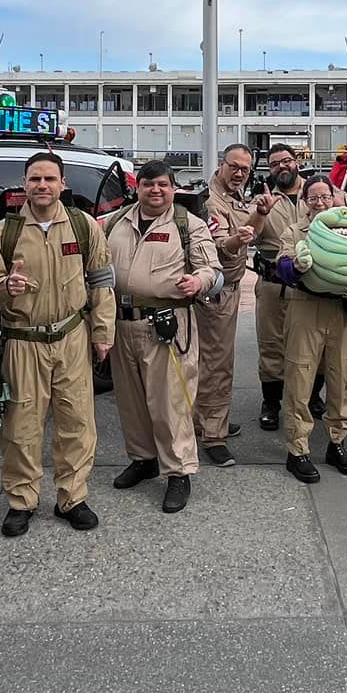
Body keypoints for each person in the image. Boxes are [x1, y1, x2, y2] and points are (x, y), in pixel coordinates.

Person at [0, 151, 117, 538]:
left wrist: (103, 333)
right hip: (23, 342)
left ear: (62, 184)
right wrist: (5, 287)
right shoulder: (3, 233)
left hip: (72, 336)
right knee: (21, 428)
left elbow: (102, 282)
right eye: (35, 179)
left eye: (50, 179)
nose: (42, 186)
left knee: (77, 423)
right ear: (25, 184)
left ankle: (71, 497)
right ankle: (21, 501)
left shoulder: (82, 226)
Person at [104, 161, 222, 513]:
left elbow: (212, 271)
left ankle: (178, 472)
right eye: (147, 184)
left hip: (166, 325)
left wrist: (199, 281)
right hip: (122, 324)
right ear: (136, 188)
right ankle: (143, 459)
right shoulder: (115, 222)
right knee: (131, 399)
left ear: (173, 189)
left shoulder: (188, 224)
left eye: (163, 185)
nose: (155, 191)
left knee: (170, 402)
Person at [268, 177, 347, 483]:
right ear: (304, 202)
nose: (320, 204)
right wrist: (297, 268)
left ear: (335, 197)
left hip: (343, 311)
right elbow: (281, 266)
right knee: (300, 377)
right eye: (313, 199)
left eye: (325, 197)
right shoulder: (295, 231)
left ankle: (337, 443)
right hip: (305, 307)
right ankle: (297, 449)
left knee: (344, 377)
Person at [196, 143, 255, 468]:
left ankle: (207, 420)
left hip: (225, 290)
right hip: (216, 291)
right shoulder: (212, 202)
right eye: (234, 166)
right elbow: (220, 246)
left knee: (209, 360)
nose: (239, 173)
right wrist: (238, 240)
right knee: (217, 363)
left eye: (245, 169)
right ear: (221, 164)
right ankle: (213, 436)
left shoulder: (234, 197)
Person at [250, 143, 305, 432]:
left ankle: (310, 399)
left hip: (311, 285)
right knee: (271, 345)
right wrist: (260, 212)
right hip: (273, 283)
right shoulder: (263, 200)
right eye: (274, 164)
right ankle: (271, 403)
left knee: (312, 345)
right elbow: (249, 236)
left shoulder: (318, 192)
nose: (282, 167)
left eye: (286, 161)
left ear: (296, 162)